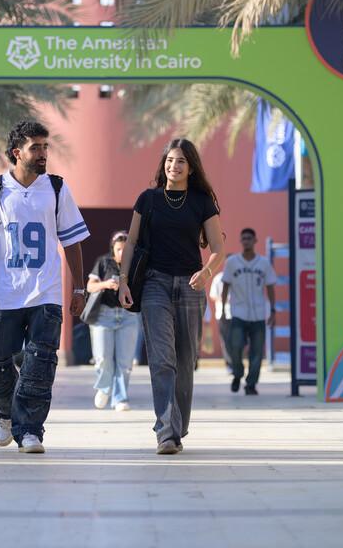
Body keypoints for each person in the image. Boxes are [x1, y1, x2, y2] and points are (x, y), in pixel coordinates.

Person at [0, 121, 88, 454]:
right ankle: (5, 413)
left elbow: (72, 242)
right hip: (4, 293)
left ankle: (30, 430)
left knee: (41, 361)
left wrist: (78, 288)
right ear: (17, 153)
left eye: (46, 147)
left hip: (45, 292)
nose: (44, 153)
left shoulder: (58, 188)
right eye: (36, 147)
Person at [119, 138, 224, 455]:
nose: (173, 166)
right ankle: (166, 431)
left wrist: (205, 273)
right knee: (162, 360)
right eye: (169, 160)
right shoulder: (147, 199)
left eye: (180, 161)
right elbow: (132, 243)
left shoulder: (202, 201)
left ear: (191, 168)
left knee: (184, 360)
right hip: (155, 284)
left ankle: (177, 427)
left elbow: (219, 249)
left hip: (191, 287)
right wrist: (123, 281)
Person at [87, 231, 141, 412]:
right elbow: (90, 286)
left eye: (126, 250)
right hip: (104, 316)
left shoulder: (135, 265)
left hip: (128, 316)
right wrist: (106, 284)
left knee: (125, 362)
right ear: (113, 249)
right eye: (119, 250)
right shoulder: (103, 262)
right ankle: (104, 387)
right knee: (102, 358)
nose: (122, 254)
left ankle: (120, 398)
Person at [221, 227, 277, 395]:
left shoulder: (264, 263)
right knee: (235, 346)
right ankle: (237, 374)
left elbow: (270, 286)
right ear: (240, 241)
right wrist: (224, 309)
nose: (246, 241)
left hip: (258, 314)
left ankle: (251, 384)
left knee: (257, 352)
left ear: (255, 241)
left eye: (249, 238)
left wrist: (273, 310)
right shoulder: (232, 262)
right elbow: (225, 285)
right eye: (243, 238)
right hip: (238, 312)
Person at [208, 271, 232, 375]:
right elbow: (213, 295)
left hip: (238, 313)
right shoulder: (218, 278)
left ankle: (236, 362)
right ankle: (230, 364)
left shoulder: (238, 276)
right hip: (223, 313)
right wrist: (224, 300)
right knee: (226, 340)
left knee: (238, 339)